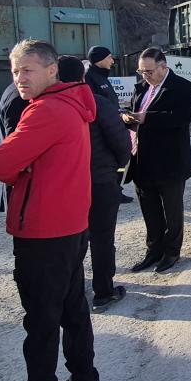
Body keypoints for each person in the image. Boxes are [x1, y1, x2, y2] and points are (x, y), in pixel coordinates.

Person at [0, 40, 100, 381]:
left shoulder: (45, 111)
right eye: (15, 71)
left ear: (52, 70)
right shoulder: (74, 103)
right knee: (73, 310)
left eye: (28, 70)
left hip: (42, 232)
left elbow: (2, 164)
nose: (20, 78)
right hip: (70, 226)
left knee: (40, 320)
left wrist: (22, 168)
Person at [57, 56, 131, 311]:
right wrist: (115, 168)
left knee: (71, 239)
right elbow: (121, 142)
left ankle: (73, 291)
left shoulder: (49, 106)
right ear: (82, 77)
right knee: (102, 238)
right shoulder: (97, 103)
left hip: (67, 185)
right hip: (101, 182)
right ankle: (103, 291)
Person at [122, 47, 191, 274]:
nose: (146, 75)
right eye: (141, 71)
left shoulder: (183, 88)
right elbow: (135, 113)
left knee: (172, 212)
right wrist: (127, 117)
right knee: (150, 211)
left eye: (150, 71)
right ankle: (153, 251)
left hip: (171, 162)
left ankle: (171, 252)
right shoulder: (141, 88)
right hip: (143, 161)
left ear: (164, 66)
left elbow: (182, 119)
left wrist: (147, 118)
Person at [84, 46, 133, 205]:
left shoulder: (102, 76)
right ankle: (112, 192)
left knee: (117, 161)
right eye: (109, 57)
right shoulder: (89, 78)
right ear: (99, 59)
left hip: (112, 123)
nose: (112, 61)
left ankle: (116, 190)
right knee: (109, 162)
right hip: (103, 129)